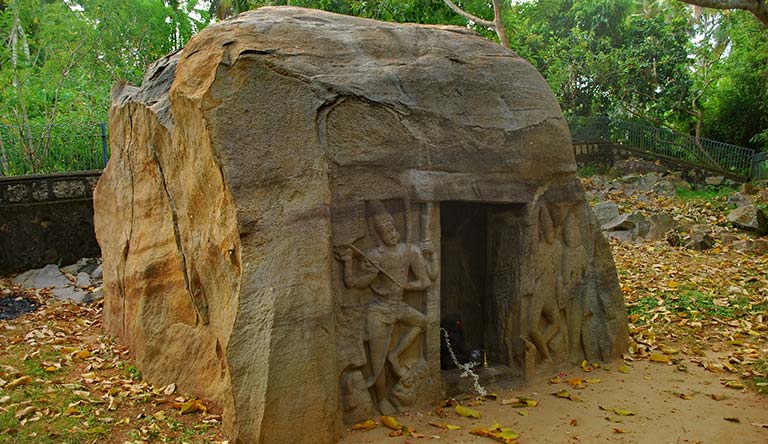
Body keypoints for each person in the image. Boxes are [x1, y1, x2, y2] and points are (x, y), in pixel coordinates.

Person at [335, 200, 435, 414]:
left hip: (399, 306)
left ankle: (395, 355)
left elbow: (426, 282)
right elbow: (355, 284)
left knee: (423, 322)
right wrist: (347, 263)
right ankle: (381, 399)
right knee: (377, 359)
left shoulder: (411, 251)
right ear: (378, 233)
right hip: (379, 310)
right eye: (384, 230)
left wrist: (407, 285)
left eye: (391, 227)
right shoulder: (374, 256)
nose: (390, 231)